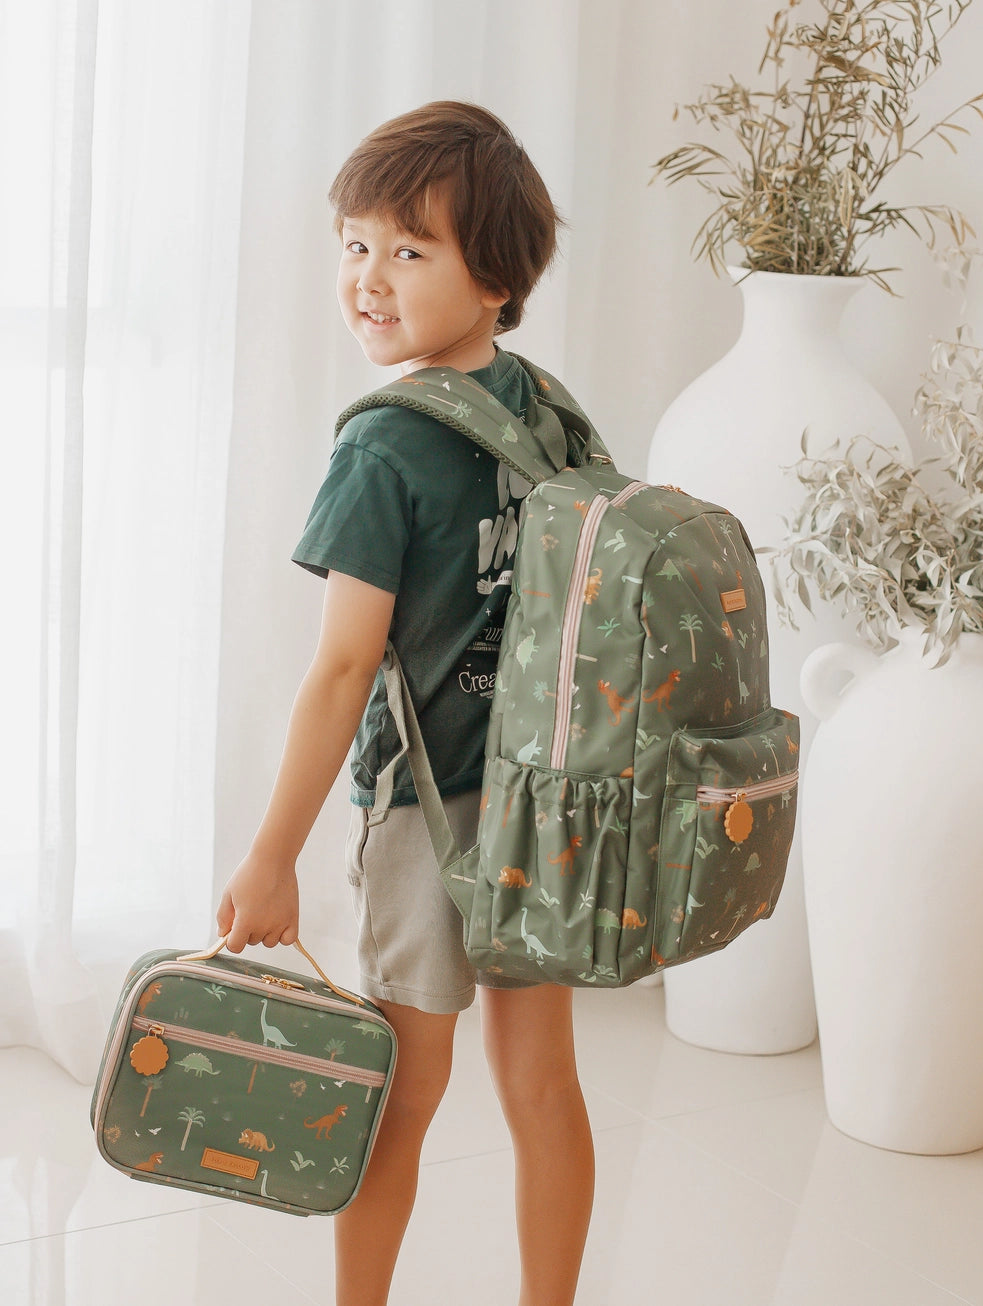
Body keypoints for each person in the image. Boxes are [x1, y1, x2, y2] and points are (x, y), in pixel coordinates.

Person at [216, 101, 595, 1306]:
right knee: (542, 1086)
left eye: (409, 250)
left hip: (429, 817)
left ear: (495, 280)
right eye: (354, 243)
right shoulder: (546, 412)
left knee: (397, 1095)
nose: (367, 278)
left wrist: (271, 854)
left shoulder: (381, 450)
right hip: (544, 803)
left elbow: (342, 671)